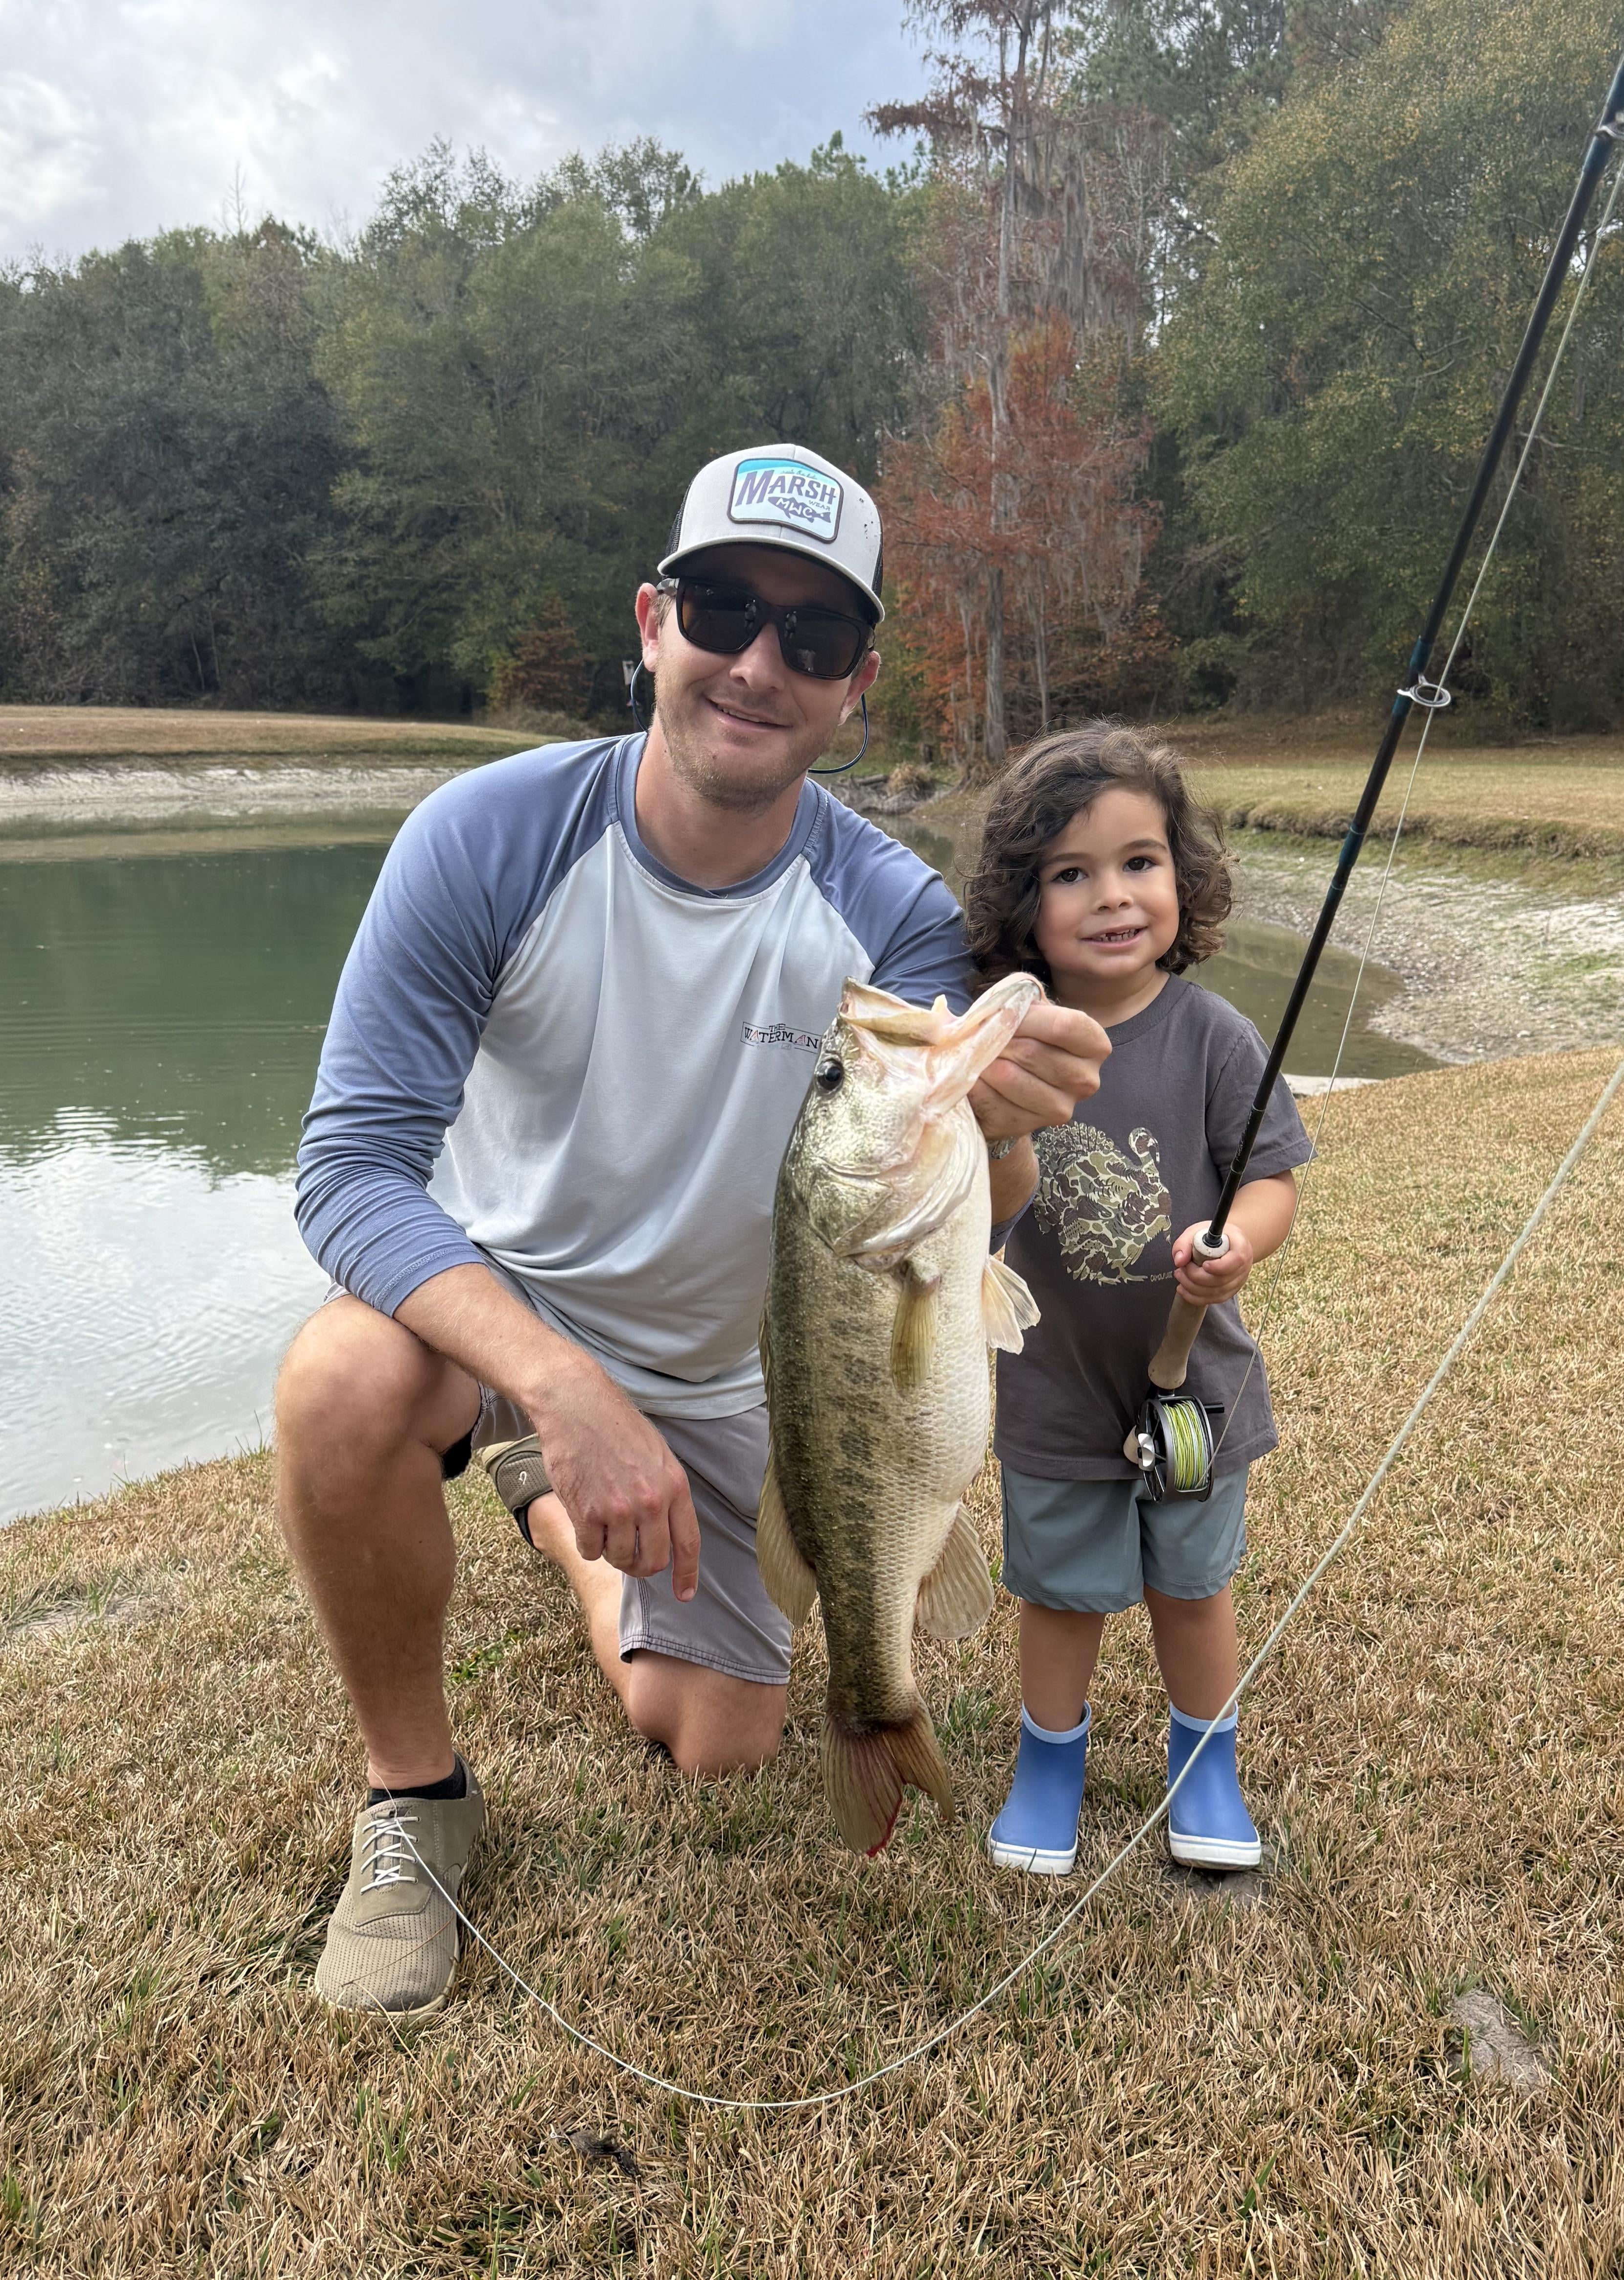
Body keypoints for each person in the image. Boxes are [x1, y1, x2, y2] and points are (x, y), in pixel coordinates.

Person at [276, 442, 1111, 2014]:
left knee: (721, 1740)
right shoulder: (484, 837)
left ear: (854, 683)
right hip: (511, 1319)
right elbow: (350, 1171)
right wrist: (561, 1386)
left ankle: (553, 1516)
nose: (757, 663)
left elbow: (967, 1226)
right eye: (724, 609)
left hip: (750, 1366)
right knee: (340, 1379)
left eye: (812, 633)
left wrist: (1007, 1125)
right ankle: (414, 1801)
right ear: (652, 620)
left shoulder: (890, 913)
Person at [963, 724, 1312, 1878]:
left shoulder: (1213, 1035)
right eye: (1070, 873)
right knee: (1059, 1596)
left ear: (1180, 875)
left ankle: (1203, 1764)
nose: (1111, 896)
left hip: (1193, 1387)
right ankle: (1046, 1766)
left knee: (1190, 1588)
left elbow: (1270, 1175)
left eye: (1138, 861)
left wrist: (1238, 1242)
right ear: (1022, 902)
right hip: (1053, 1389)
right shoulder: (1003, 1047)